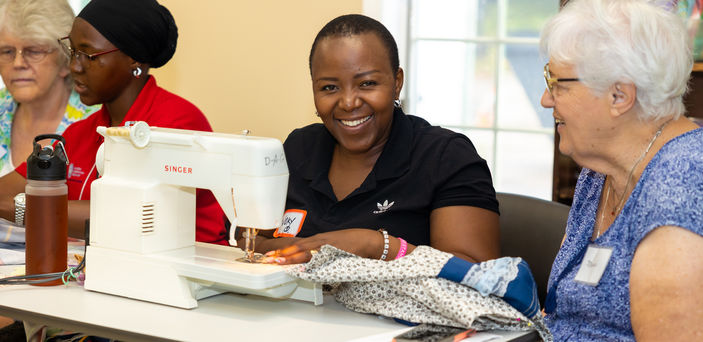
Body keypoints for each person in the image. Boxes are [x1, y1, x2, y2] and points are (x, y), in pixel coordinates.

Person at [253, 14, 500, 265]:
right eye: (329, 87)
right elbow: (244, 240)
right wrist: (303, 250)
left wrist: (374, 245)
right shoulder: (299, 148)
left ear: (397, 83)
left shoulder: (445, 157)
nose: (349, 103)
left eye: (367, 83)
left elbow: (475, 275)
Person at [0, 0, 227, 245]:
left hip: (188, 271)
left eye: (89, 55)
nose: (75, 66)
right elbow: (5, 194)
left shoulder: (176, 123)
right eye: (73, 52)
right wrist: (34, 207)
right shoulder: (83, 131)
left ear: (134, 60)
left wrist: (28, 209)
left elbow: (128, 214)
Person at [540, 0, 703, 340]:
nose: (545, 99)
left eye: (557, 83)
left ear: (619, 96)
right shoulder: (600, 169)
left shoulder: (682, 189)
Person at [0, 0, 97, 177]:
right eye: (7, 51)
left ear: (65, 60)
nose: (18, 63)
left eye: (34, 51)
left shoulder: (97, 123)